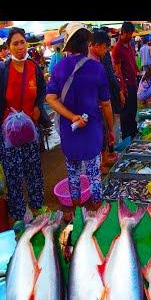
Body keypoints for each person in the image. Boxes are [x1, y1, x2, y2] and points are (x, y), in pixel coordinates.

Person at [46, 23, 113, 220]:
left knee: (73, 172)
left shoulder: (58, 67)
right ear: (87, 44)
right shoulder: (96, 68)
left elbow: (50, 98)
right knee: (93, 172)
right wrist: (110, 129)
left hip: (70, 130)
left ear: (68, 44)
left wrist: (71, 116)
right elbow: (106, 104)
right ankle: (97, 210)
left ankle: (76, 211)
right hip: (92, 128)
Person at [0, 27, 47, 224]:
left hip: (30, 130)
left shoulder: (34, 67)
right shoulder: (3, 71)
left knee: (34, 169)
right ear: (8, 47)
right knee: (14, 173)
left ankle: (37, 205)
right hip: (9, 133)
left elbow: (41, 91)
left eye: (22, 42)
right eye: (15, 44)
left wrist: (38, 107)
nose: (20, 47)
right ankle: (19, 212)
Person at [89, 29, 119, 173]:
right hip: (94, 105)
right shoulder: (92, 62)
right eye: (106, 47)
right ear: (98, 45)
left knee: (103, 132)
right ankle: (99, 166)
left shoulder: (95, 58)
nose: (107, 51)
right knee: (98, 133)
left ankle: (105, 158)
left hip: (98, 103)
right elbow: (105, 101)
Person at [112, 21, 139, 140]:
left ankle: (133, 133)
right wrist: (122, 88)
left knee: (133, 109)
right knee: (126, 113)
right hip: (125, 84)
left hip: (133, 82)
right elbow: (118, 71)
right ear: (122, 33)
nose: (130, 36)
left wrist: (137, 72)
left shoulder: (130, 45)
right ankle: (127, 137)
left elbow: (132, 61)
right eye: (128, 34)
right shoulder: (117, 49)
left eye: (131, 34)